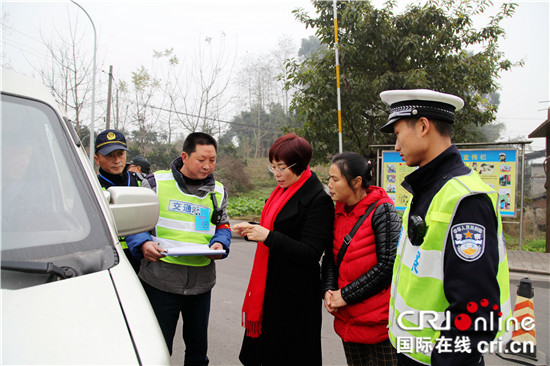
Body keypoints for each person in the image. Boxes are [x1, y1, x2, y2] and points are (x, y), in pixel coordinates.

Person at [379, 89, 512, 365]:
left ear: (423, 126)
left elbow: (475, 312)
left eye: (397, 133)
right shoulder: (429, 189)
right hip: (413, 352)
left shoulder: (465, 199)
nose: (395, 145)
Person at [126, 132, 231, 366]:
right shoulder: (155, 183)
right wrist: (143, 243)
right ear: (184, 156)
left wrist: (220, 243)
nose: (207, 166)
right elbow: (135, 224)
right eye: (201, 159)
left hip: (201, 285)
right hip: (160, 282)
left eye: (212, 160)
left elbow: (223, 225)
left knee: (197, 352)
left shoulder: (219, 192)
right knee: (157, 350)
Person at [233, 133, 334, 366]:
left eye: (281, 167)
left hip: (295, 297)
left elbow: (311, 252)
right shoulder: (281, 192)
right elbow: (275, 230)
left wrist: (267, 236)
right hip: (270, 289)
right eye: (273, 167)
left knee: (289, 355)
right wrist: (252, 231)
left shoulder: (318, 199)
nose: (276, 174)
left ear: (299, 165)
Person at [322, 152, 400, 366]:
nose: (329, 184)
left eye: (335, 179)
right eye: (328, 178)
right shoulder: (337, 211)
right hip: (349, 320)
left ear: (356, 182)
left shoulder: (382, 210)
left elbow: (388, 265)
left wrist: (345, 295)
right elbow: (331, 258)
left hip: (379, 324)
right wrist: (329, 290)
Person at [94, 129, 144, 273]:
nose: (117, 160)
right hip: (108, 256)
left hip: (140, 254)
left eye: (120, 154)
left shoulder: (141, 183)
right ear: (97, 159)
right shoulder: (92, 186)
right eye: (109, 156)